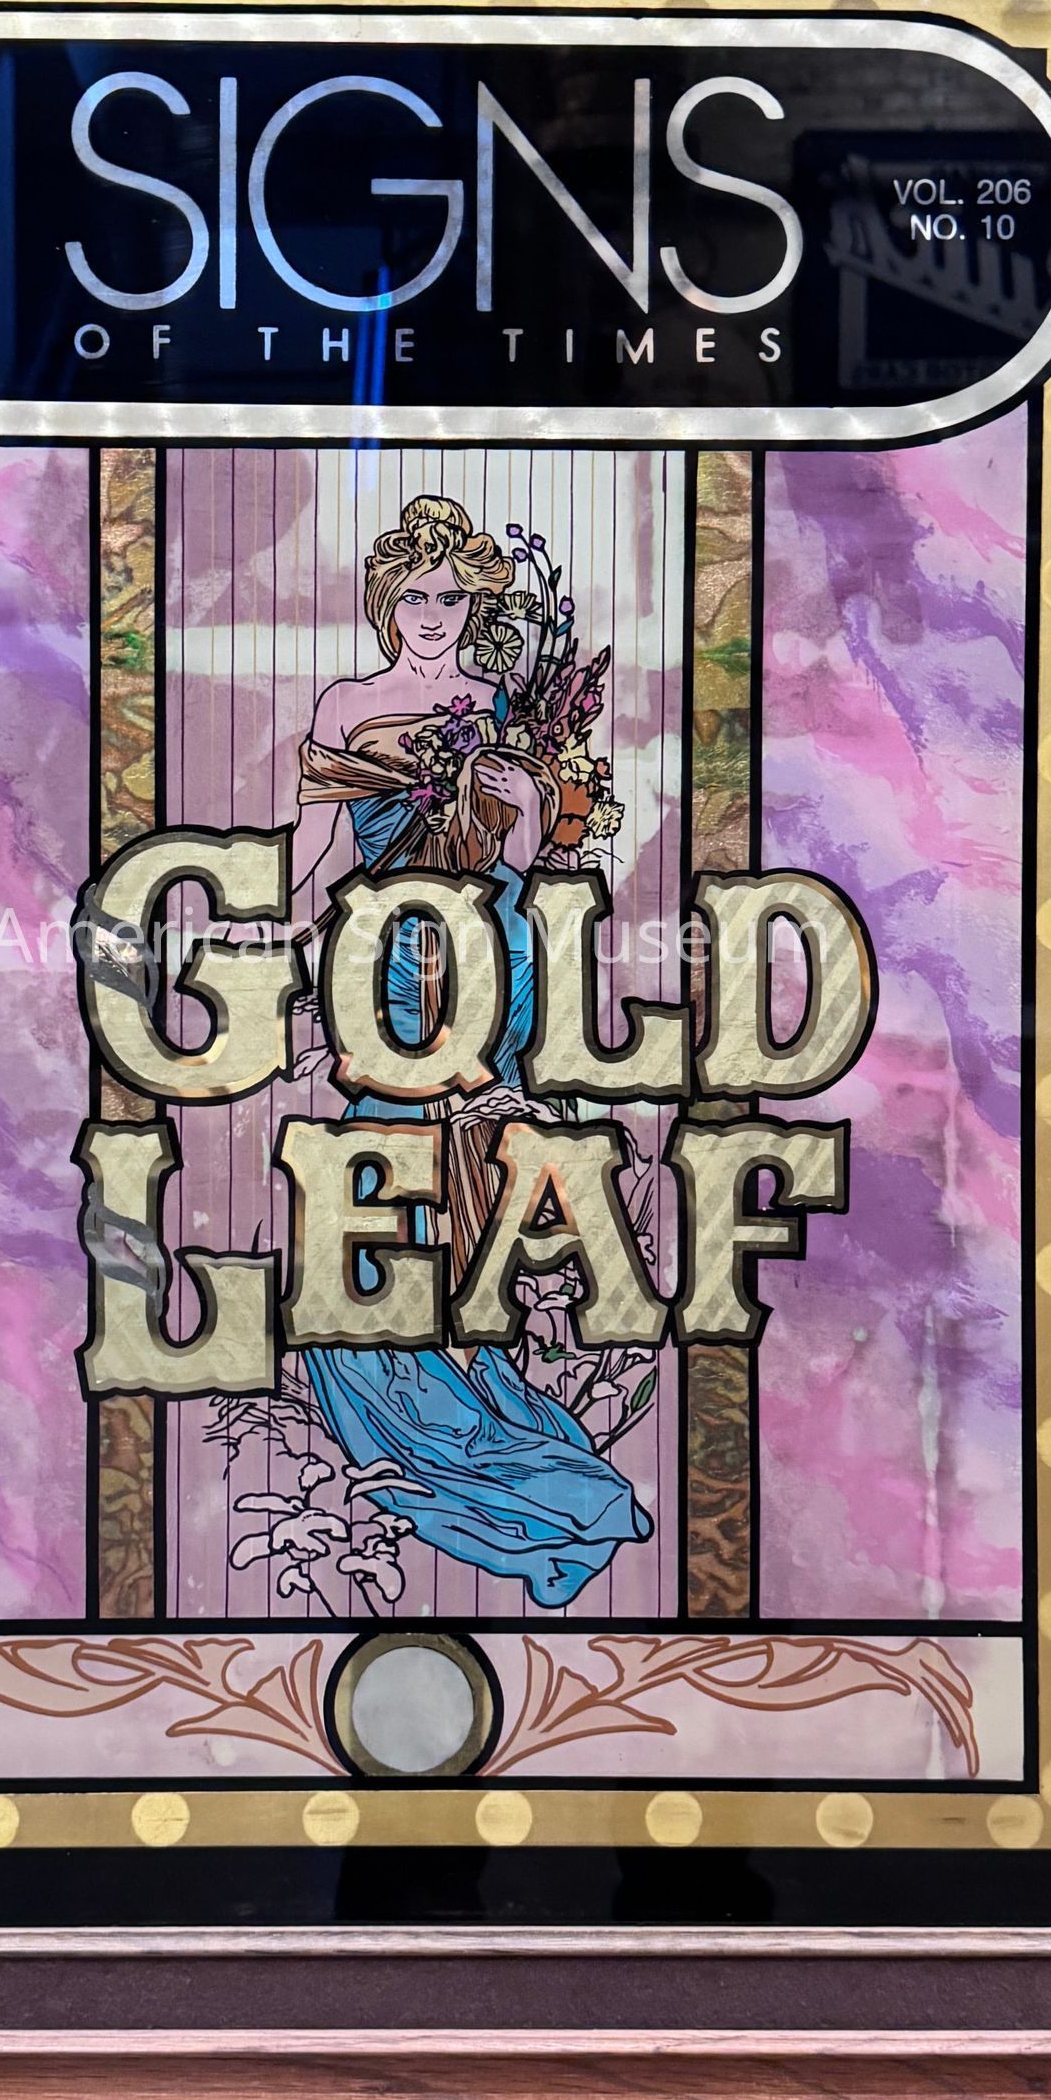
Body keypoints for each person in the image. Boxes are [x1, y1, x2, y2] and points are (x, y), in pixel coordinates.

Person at [284, 495, 651, 1608]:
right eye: (416, 596)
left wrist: (529, 810)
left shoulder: (504, 702)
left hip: (490, 954)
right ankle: (459, 1444)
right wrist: (277, 942)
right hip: (386, 955)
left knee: (472, 1188)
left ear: (473, 604)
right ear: (386, 603)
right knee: (374, 1184)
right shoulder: (348, 704)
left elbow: (540, 849)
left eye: (451, 596)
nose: (434, 614)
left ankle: (492, 1434)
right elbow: (315, 847)